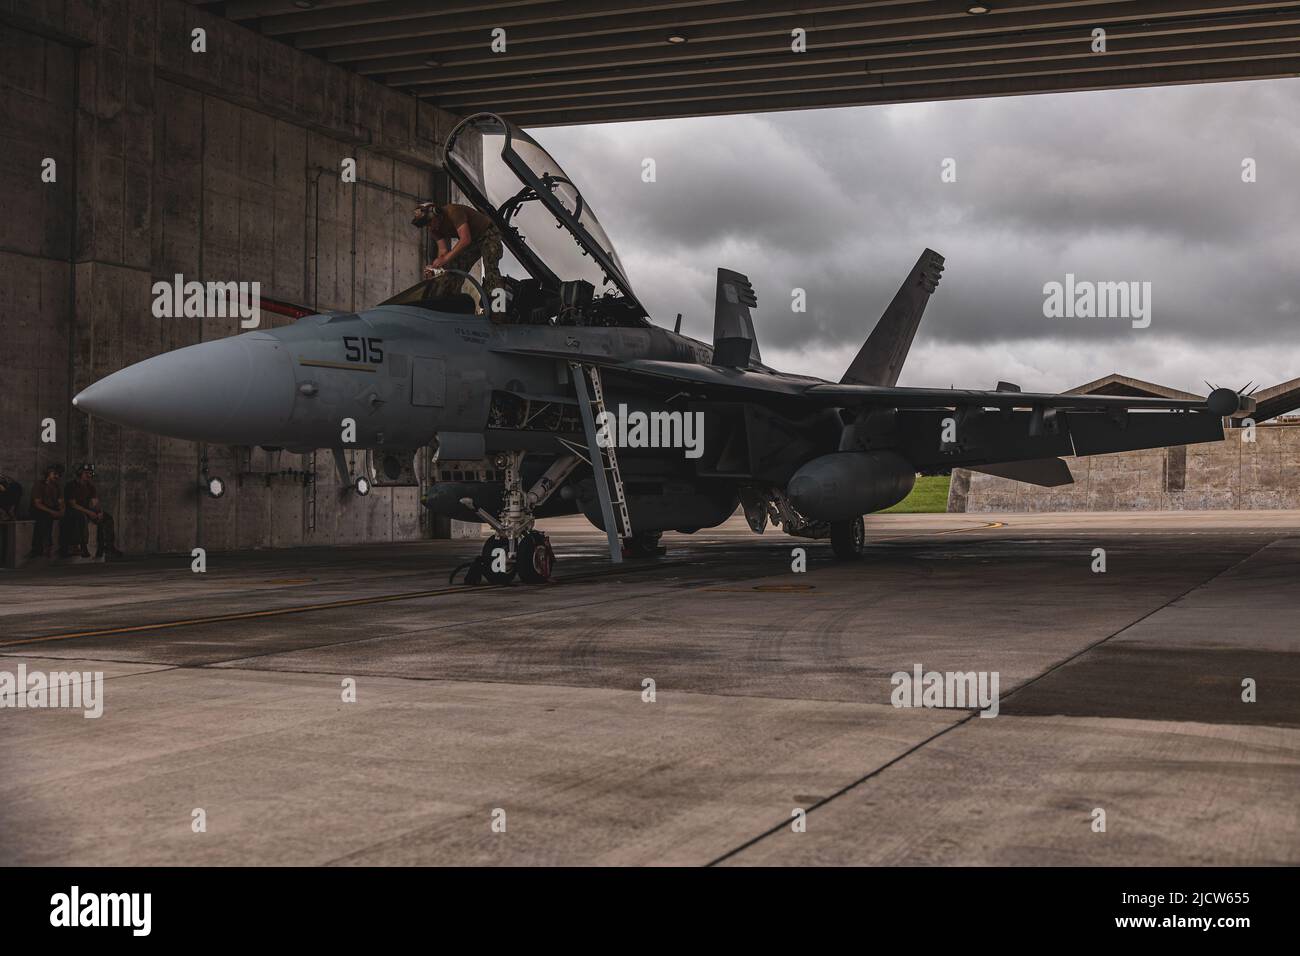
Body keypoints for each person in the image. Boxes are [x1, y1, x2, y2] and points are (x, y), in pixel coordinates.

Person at [411, 201, 505, 317]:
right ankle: (450, 309)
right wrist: (436, 268)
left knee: (491, 270)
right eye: (427, 225)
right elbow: (443, 252)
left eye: (430, 222)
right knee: (453, 271)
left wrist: (444, 260)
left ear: (436, 214)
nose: (430, 227)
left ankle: (498, 312)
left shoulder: (453, 212)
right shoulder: (434, 229)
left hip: (487, 234)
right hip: (472, 241)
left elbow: (465, 239)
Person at [62, 463, 121, 560]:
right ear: (80, 473)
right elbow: (73, 504)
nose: (89, 475)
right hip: (74, 510)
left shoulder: (90, 486)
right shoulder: (71, 485)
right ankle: (83, 546)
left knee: (107, 518)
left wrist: (100, 512)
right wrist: (89, 512)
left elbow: (94, 502)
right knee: (82, 517)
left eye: (90, 473)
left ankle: (106, 547)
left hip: (86, 509)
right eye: (86, 473)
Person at [28, 463, 64, 559]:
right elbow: (37, 504)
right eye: (55, 474)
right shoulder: (39, 484)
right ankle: (39, 548)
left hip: (52, 508)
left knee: (68, 517)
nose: (57, 476)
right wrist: (52, 512)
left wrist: (61, 510)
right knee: (44, 518)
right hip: (38, 509)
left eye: (59, 474)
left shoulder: (57, 486)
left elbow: (61, 501)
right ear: (48, 473)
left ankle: (65, 547)